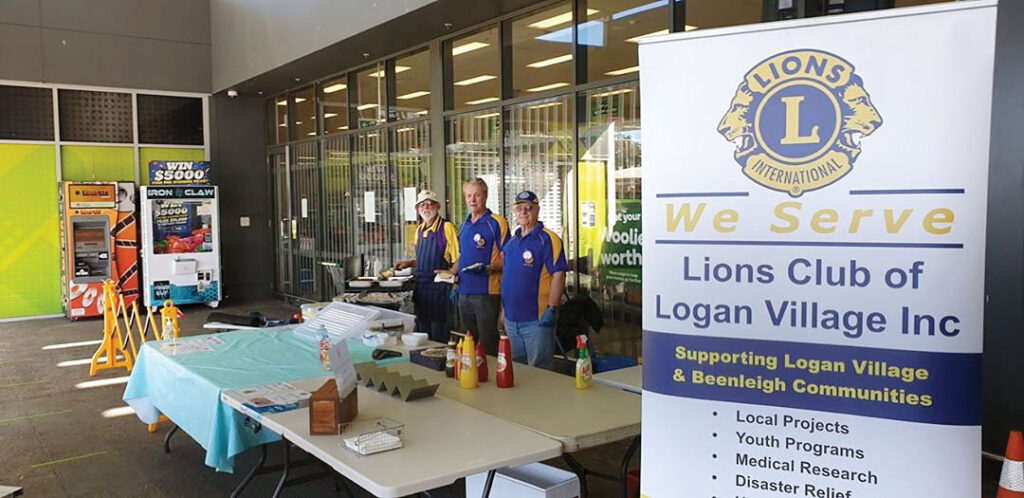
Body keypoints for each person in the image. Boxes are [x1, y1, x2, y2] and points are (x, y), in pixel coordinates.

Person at [500, 190, 568, 369]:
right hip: (511, 321)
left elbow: (559, 274)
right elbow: (507, 278)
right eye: (519, 208)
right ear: (514, 212)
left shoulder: (548, 239)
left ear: (537, 210)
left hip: (536, 321)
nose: (523, 212)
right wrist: (503, 310)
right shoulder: (511, 243)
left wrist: (552, 308)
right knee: (517, 372)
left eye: (528, 208)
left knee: (539, 374)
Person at [394, 190, 460, 343]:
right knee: (422, 336)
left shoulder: (446, 228)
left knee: (439, 337)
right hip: (422, 289)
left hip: (439, 290)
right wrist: (409, 263)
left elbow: (459, 257)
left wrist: (451, 272)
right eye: (422, 205)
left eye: (430, 203)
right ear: (417, 209)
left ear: (438, 206)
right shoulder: (419, 230)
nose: (426, 207)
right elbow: (422, 260)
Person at [455, 178, 509, 356]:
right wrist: (450, 273)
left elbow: (508, 258)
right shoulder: (464, 225)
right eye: (469, 196)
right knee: (469, 341)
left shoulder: (496, 223)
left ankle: (492, 378)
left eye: (477, 195)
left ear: (485, 196)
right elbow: (461, 257)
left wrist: (489, 268)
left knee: (487, 344)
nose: (472, 200)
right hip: (464, 292)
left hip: (486, 293)